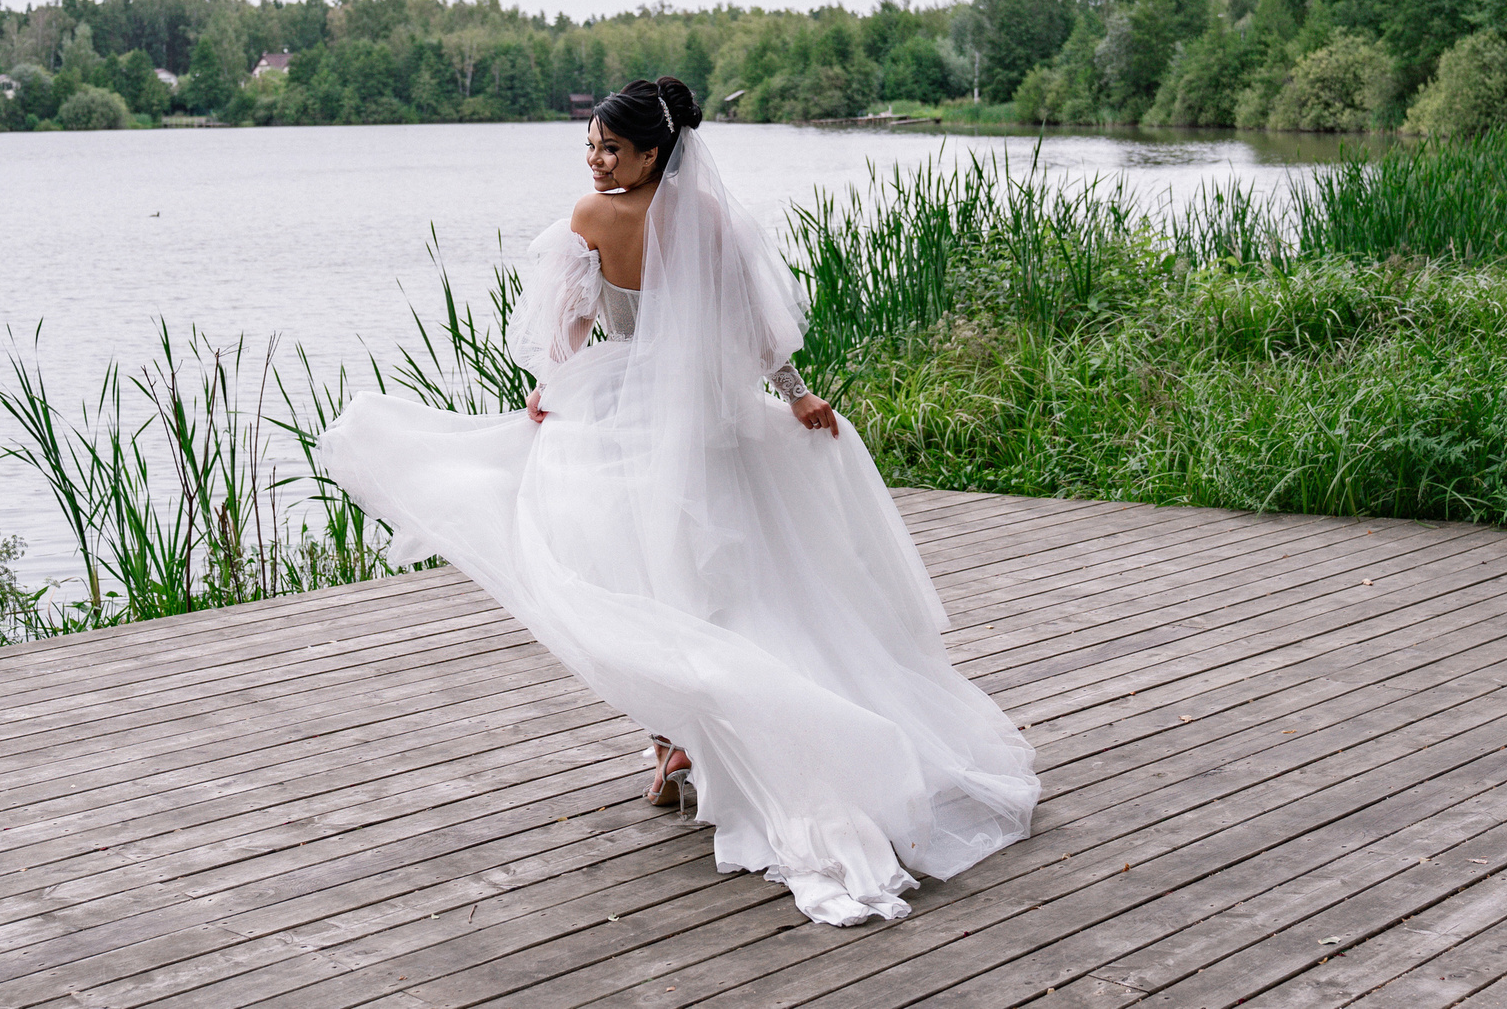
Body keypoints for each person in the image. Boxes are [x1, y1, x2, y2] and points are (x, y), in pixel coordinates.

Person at [318, 77, 1036, 925]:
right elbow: (756, 328)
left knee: (639, 587)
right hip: (704, 416)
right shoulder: (712, 218)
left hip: (627, 413)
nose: (595, 160)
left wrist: (550, 388)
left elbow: (567, 332)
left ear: (654, 152)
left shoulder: (591, 219)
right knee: (709, 591)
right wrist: (797, 393)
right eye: (591, 145)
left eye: (611, 148)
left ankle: (674, 746)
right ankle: (683, 747)